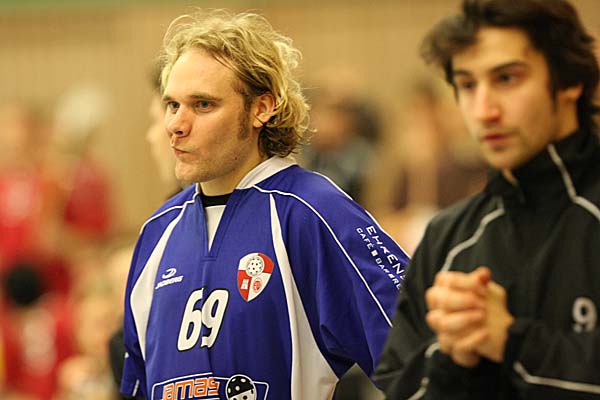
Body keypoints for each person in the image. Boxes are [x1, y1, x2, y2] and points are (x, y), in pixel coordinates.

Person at [120, 9, 408, 400]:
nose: (176, 125)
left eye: (202, 105)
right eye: (172, 105)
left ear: (262, 108)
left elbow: (420, 359)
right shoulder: (158, 232)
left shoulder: (313, 211)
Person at [375, 0, 600, 399]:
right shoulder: (448, 237)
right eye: (467, 85)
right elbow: (400, 387)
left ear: (569, 82)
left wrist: (512, 341)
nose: (484, 111)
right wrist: (452, 359)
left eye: (507, 79)